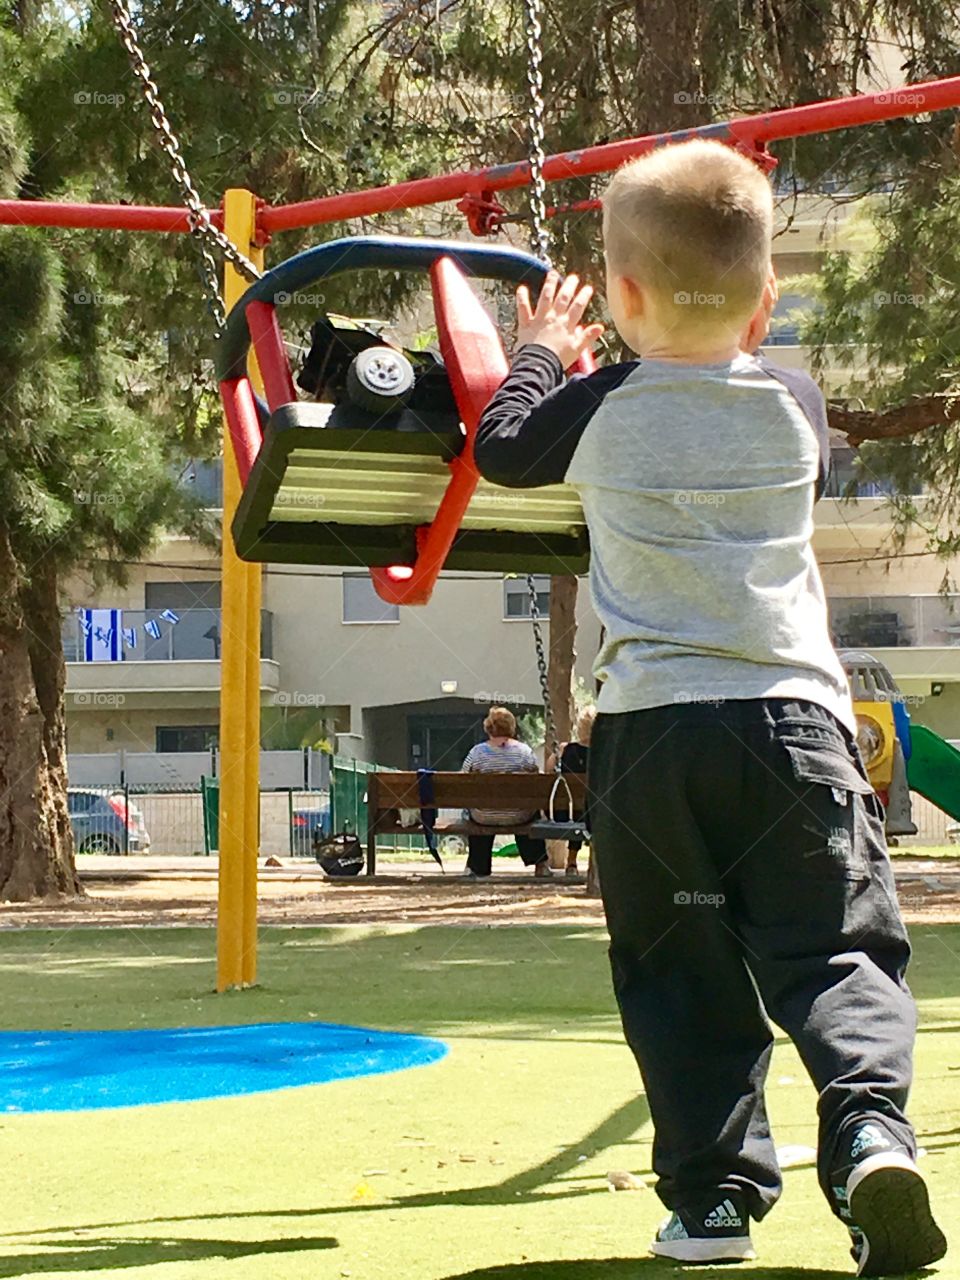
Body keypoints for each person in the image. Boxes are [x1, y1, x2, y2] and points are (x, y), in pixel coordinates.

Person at [473, 139, 946, 1277]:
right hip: (795, 731)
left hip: (651, 740)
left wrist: (542, 352)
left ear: (620, 297)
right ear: (768, 299)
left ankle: (715, 1204)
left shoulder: (599, 404)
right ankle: (870, 1123)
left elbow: (501, 447)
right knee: (836, 952)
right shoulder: (795, 402)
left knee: (677, 964)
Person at [460, 706, 551, 879]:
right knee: (529, 811)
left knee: (479, 811)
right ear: (511, 727)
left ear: (488, 728)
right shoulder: (524, 752)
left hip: (484, 815)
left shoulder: (477, 753)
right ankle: (540, 864)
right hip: (519, 814)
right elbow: (535, 779)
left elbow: (463, 779)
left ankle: (476, 866)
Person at [545, 705, 596, 876]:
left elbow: (548, 770)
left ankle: (572, 862)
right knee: (584, 810)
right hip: (595, 813)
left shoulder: (564, 750)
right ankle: (576, 861)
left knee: (577, 811)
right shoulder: (603, 753)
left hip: (562, 812)